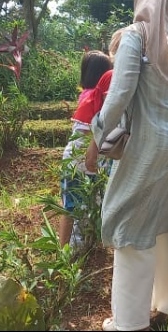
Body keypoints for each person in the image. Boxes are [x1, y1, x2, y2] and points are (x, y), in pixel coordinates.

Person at [93, 0, 168, 331]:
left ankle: (129, 323)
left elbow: (119, 95)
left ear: (141, 0)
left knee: (131, 230)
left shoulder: (136, 36)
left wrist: (95, 140)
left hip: (152, 148)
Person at [58, 50, 113, 248]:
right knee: (92, 201)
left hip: (75, 154)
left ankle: (67, 248)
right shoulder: (102, 95)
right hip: (90, 154)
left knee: (71, 204)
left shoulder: (86, 95)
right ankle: (75, 246)